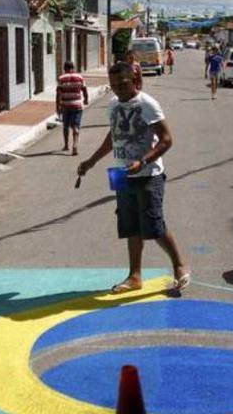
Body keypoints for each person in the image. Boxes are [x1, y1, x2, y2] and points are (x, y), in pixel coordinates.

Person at [77, 61, 190, 295]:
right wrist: (91, 161)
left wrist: (144, 161)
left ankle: (179, 265)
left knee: (154, 225)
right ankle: (134, 276)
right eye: (114, 84)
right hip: (119, 173)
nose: (118, 88)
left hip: (148, 174)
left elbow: (167, 139)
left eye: (123, 83)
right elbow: (113, 136)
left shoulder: (147, 104)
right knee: (130, 226)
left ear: (134, 81)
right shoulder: (112, 105)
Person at [55, 61, 89, 156]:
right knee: (75, 126)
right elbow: (84, 90)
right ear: (73, 68)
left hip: (65, 106)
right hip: (77, 105)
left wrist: (57, 107)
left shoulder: (61, 78)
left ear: (64, 68)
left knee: (65, 126)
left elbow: (58, 94)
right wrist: (86, 99)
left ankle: (66, 145)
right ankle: (75, 145)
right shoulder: (80, 77)